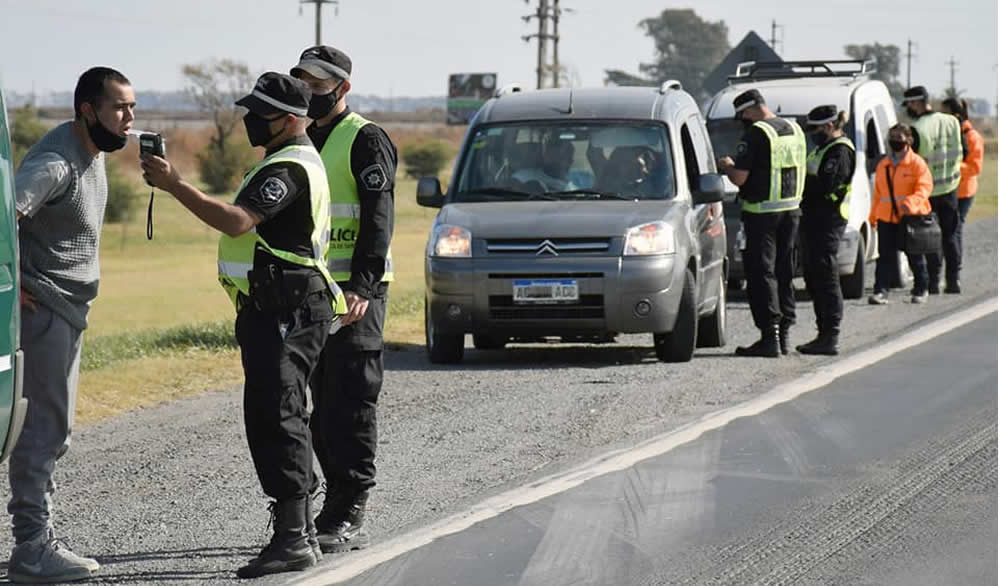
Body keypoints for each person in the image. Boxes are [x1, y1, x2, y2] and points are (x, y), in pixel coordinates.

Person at [141, 72, 347, 578]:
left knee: (278, 416)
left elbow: (237, 221)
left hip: (287, 308)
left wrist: (174, 185)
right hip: (276, 307)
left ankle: (294, 538)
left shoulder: (290, 166)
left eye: (265, 112)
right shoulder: (280, 160)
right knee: (276, 414)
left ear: (293, 119)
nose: (252, 119)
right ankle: (296, 527)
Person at [7, 66, 134, 584]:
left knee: (52, 431)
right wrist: (15, 284)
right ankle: (32, 551)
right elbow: (2, 218)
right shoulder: (56, 162)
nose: (128, 119)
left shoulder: (95, 151)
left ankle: (36, 543)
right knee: (44, 432)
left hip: (69, 310)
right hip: (46, 313)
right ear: (88, 110)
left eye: (133, 109)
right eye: (119, 108)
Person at [289, 46, 396, 554]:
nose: (310, 90)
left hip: (356, 294)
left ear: (342, 87)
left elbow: (378, 218)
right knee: (312, 401)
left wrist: (362, 287)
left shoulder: (365, 138)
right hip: (310, 293)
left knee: (349, 401)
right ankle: (324, 504)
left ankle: (349, 508)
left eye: (318, 83)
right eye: (303, 82)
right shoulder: (300, 138)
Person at [717, 89, 805, 357]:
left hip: (761, 214)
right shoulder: (793, 128)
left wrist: (727, 166)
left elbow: (740, 178)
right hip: (791, 211)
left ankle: (770, 338)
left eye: (743, 114)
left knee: (761, 274)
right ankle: (784, 336)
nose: (743, 119)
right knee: (784, 272)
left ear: (753, 108)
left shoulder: (756, 133)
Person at [797, 105, 856, 356]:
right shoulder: (822, 149)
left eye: (816, 129)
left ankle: (830, 335)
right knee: (814, 275)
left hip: (828, 221)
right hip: (814, 220)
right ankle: (822, 333)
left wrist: (801, 184)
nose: (812, 134)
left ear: (830, 126)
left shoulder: (840, 151)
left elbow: (826, 185)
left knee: (826, 276)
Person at [901, 85, 967, 294]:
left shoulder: (918, 128)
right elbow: (963, 152)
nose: (909, 109)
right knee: (950, 235)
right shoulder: (952, 121)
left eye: (909, 104)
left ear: (916, 103)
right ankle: (953, 280)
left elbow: (911, 161)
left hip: (926, 192)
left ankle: (933, 282)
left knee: (929, 237)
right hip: (950, 187)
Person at [867, 124, 934, 305]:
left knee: (915, 255)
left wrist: (910, 204)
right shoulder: (884, 165)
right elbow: (879, 194)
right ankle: (880, 291)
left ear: (909, 140)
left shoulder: (916, 164)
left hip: (910, 217)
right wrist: (873, 216)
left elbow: (925, 187)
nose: (895, 141)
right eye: (892, 137)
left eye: (899, 137)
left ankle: (921, 289)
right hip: (887, 218)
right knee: (885, 257)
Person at [942, 96, 984, 273]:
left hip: (963, 191)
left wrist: (951, 165)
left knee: (955, 229)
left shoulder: (972, 137)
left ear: (956, 115)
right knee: (950, 230)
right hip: (949, 189)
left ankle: (955, 268)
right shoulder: (950, 134)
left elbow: (975, 167)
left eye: (944, 113)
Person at [512, 135, 576, 191]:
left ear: (570, 162)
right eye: (552, 156)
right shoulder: (523, 177)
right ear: (545, 156)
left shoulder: (573, 190)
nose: (554, 160)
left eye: (562, 157)